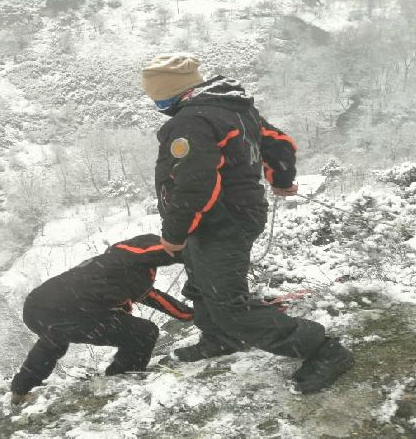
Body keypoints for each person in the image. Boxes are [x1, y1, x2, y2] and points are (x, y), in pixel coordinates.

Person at [139, 53, 353, 394]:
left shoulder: (191, 122)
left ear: (169, 90)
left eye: (155, 93)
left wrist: (174, 235)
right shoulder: (233, 109)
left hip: (220, 221)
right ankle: (220, 339)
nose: (154, 100)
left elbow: (195, 187)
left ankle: (322, 349)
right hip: (231, 215)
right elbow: (279, 143)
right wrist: (282, 178)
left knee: (229, 305)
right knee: (200, 280)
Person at [10, 234, 193, 404]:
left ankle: (21, 388)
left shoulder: (117, 271)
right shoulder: (125, 261)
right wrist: (191, 249)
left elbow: (154, 298)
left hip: (41, 305)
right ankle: (122, 376)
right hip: (53, 307)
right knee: (142, 332)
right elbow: (157, 250)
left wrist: (189, 314)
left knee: (58, 337)